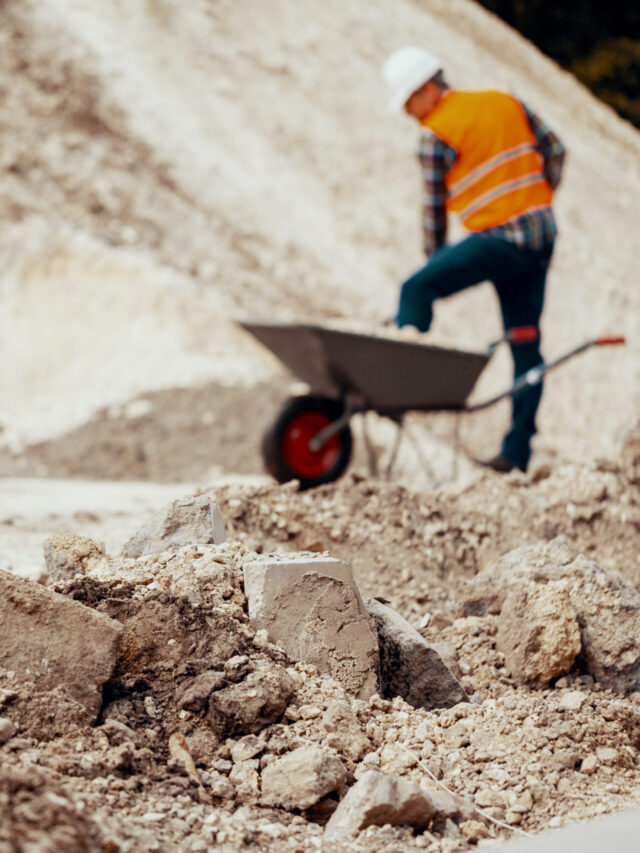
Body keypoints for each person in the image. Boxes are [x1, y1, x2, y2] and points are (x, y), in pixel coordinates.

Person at [382, 46, 566, 473]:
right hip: (540, 239)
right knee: (525, 342)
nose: (411, 114)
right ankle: (516, 455)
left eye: (410, 102)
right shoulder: (504, 100)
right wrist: (537, 202)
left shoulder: (436, 134)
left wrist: (434, 262)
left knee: (416, 288)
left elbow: (433, 211)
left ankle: (399, 386)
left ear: (427, 89)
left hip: (499, 240)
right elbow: (556, 150)